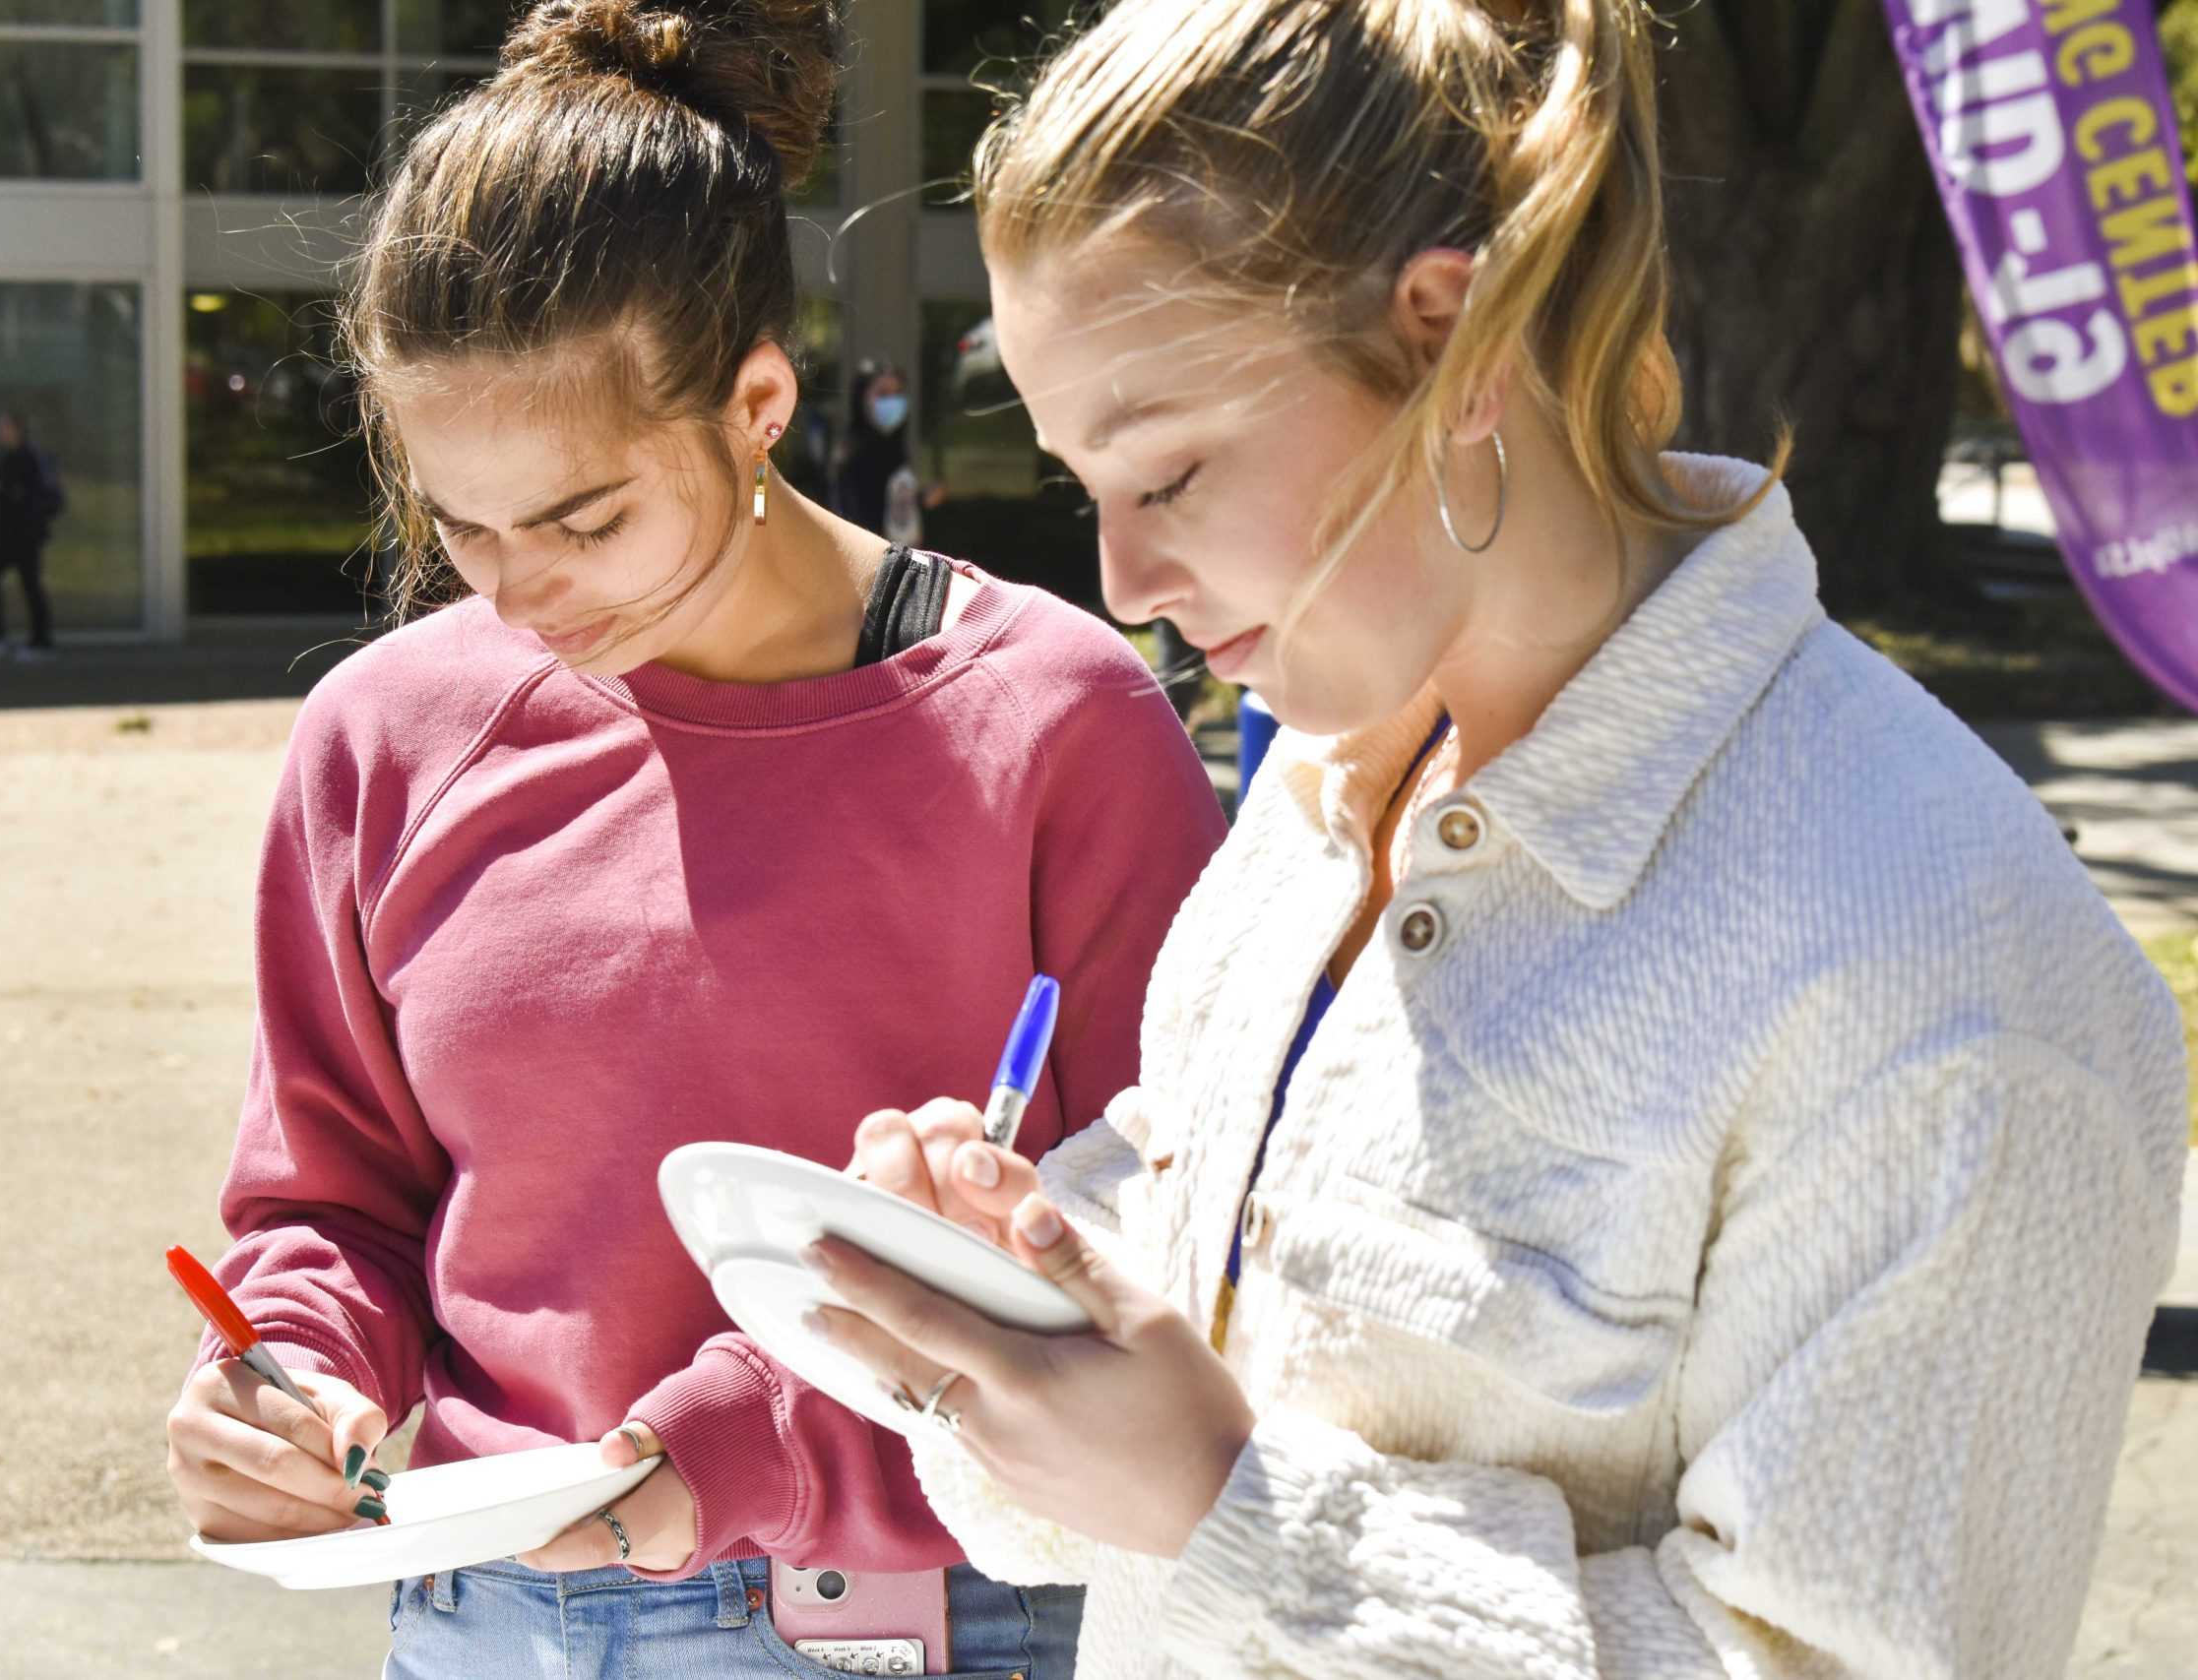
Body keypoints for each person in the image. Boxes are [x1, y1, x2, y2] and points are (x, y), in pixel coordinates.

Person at [808, 3, 2190, 1677]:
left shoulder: (1935, 963)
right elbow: (1121, 1487)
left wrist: (1229, 1507)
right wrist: (1008, 1301)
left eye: (1167, 474)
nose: (1121, 582)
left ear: (1451, 341)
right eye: (1081, 482)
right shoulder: (1313, 815)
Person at [160, 3, 1224, 1676]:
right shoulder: (382, 734)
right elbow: (331, 1202)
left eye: (585, 517)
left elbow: (1170, 1254)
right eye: (458, 523)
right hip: (481, 1608)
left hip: (925, 1618)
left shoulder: (1062, 726)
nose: (517, 591)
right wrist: (289, 1374)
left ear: (758, 400)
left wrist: (740, 1458)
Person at [0, 410, 60, 662]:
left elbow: (33, 498)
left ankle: (41, 642)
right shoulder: (8, 458)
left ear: (16, 429)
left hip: (25, 536)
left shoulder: (29, 459)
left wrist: (25, 513)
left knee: (29, 585)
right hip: (8, 536)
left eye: (3, 427)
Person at [833, 359, 941, 544]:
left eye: (897, 392)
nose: (892, 401)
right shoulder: (852, 451)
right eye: (882, 394)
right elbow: (862, 514)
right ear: (862, 398)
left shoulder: (894, 446)